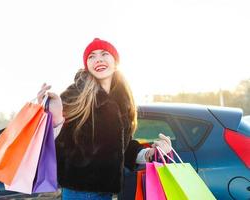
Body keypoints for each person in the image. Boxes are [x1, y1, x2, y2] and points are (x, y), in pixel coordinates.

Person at [36, 38, 172, 200]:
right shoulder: (74, 96)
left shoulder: (123, 97)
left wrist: (149, 153)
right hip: (80, 192)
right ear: (87, 65)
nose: (98, 59)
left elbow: (122, 147)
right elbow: (55, 147)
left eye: (104, 54)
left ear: (115, 62)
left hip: (106, 193)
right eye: (91, 56)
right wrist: (54, 118)